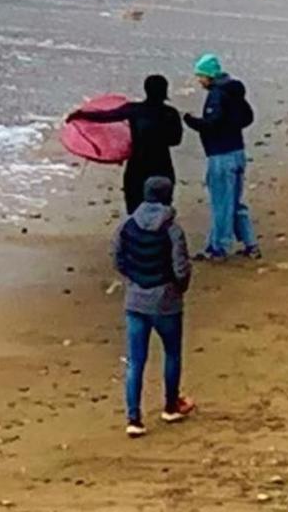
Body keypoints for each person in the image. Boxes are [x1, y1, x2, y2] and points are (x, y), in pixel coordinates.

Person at [113, 174, 195, 435]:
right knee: (171, 353)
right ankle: (171, 405)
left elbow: (117, 257)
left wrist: (133, 279)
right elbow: (181, 267)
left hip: (136, 299)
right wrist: (178, 288)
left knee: (136, 361)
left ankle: (133, 418)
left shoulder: (126, 226)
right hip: (166, 300)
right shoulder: (172, 229)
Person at [68, 72, 186, 212]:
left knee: (134, 209)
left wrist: (81, 115)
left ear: (145, 90)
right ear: (165, 91)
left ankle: (135, 233)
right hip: (162, 166)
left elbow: (106, 116)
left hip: (137, 166)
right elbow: (176, 141)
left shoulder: (134, 109)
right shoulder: (171, 113)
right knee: (163, 209)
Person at [190, 54, 257, 260]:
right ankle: (250, 243)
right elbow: (247, 117)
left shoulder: (217, 95)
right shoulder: (234, 92)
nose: (199, 80)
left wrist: (191, 121)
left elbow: (212, 124)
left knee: (221, 203)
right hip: (237, 151)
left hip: (221, 155)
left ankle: (218, 248)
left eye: (200, 75)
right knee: (235, 201)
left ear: (209, 75)